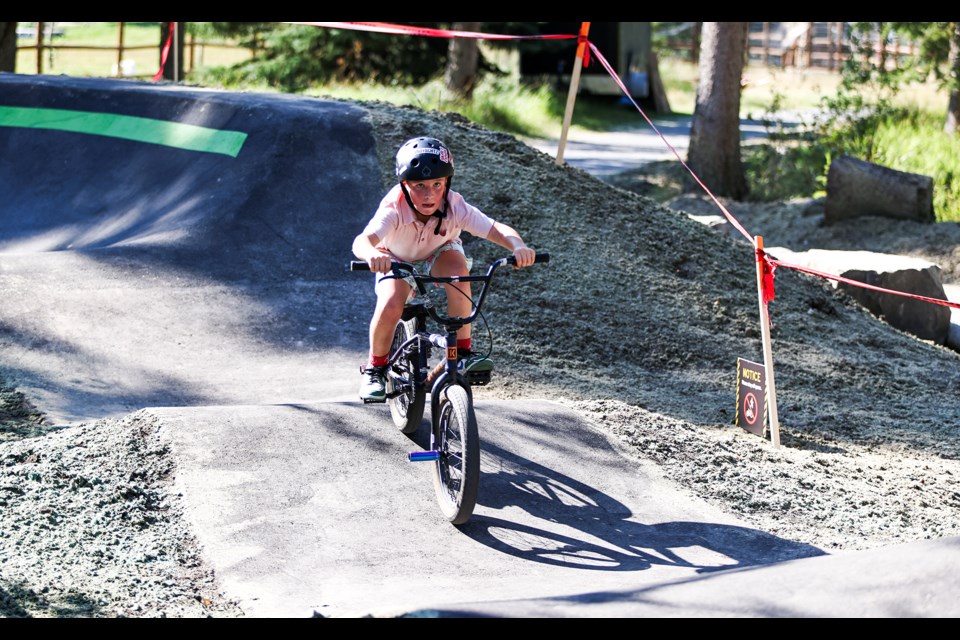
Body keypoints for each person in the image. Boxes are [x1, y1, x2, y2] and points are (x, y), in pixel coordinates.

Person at [352, 135, 537, 402]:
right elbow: (362, 241)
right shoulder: (394, 208)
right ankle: (375, 368)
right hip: (395, 258)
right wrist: (371, 254)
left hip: (438, 253)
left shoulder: (454, 205)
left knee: (459, 275)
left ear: (447, 183)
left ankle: (462, 352)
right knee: (391, 303)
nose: (429, 194)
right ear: (404, 185)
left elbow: (495, 228)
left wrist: (517, 246)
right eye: (419, 185)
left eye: (437, 184)